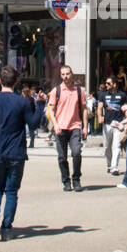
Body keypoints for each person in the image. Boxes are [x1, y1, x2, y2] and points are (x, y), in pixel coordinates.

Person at [0, 66, 46, 239]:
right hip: (16, 150)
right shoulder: (21, 102)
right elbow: (33, 124)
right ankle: (6, 227)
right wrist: (39, 105)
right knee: (11, 191)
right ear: (16, 82)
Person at [47, 64, 89, 193]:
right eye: (63, 74)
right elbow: (51, 109)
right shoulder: (56, 91)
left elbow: (84, 109)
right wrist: (55, 125)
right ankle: (66, 181)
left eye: (67, 74)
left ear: (72, 74)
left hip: (75, 126)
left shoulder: (79, 90)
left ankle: (76, 179)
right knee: (62, 156)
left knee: (76, 153)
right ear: (61, 76)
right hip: (60, 127)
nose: (66, 76)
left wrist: (85, 127)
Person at [97, 75, 127, 176]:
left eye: (108, 83)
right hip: (107, 124)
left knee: (116, 146)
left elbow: (125, 108)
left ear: (114, 85)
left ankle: (115, 167)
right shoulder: (103, 95)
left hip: (118, 124)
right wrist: (100, 116)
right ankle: (110, 165)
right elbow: (100, 107)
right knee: (107, 147)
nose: (106, 85)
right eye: (106, 83)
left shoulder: (122, 95)